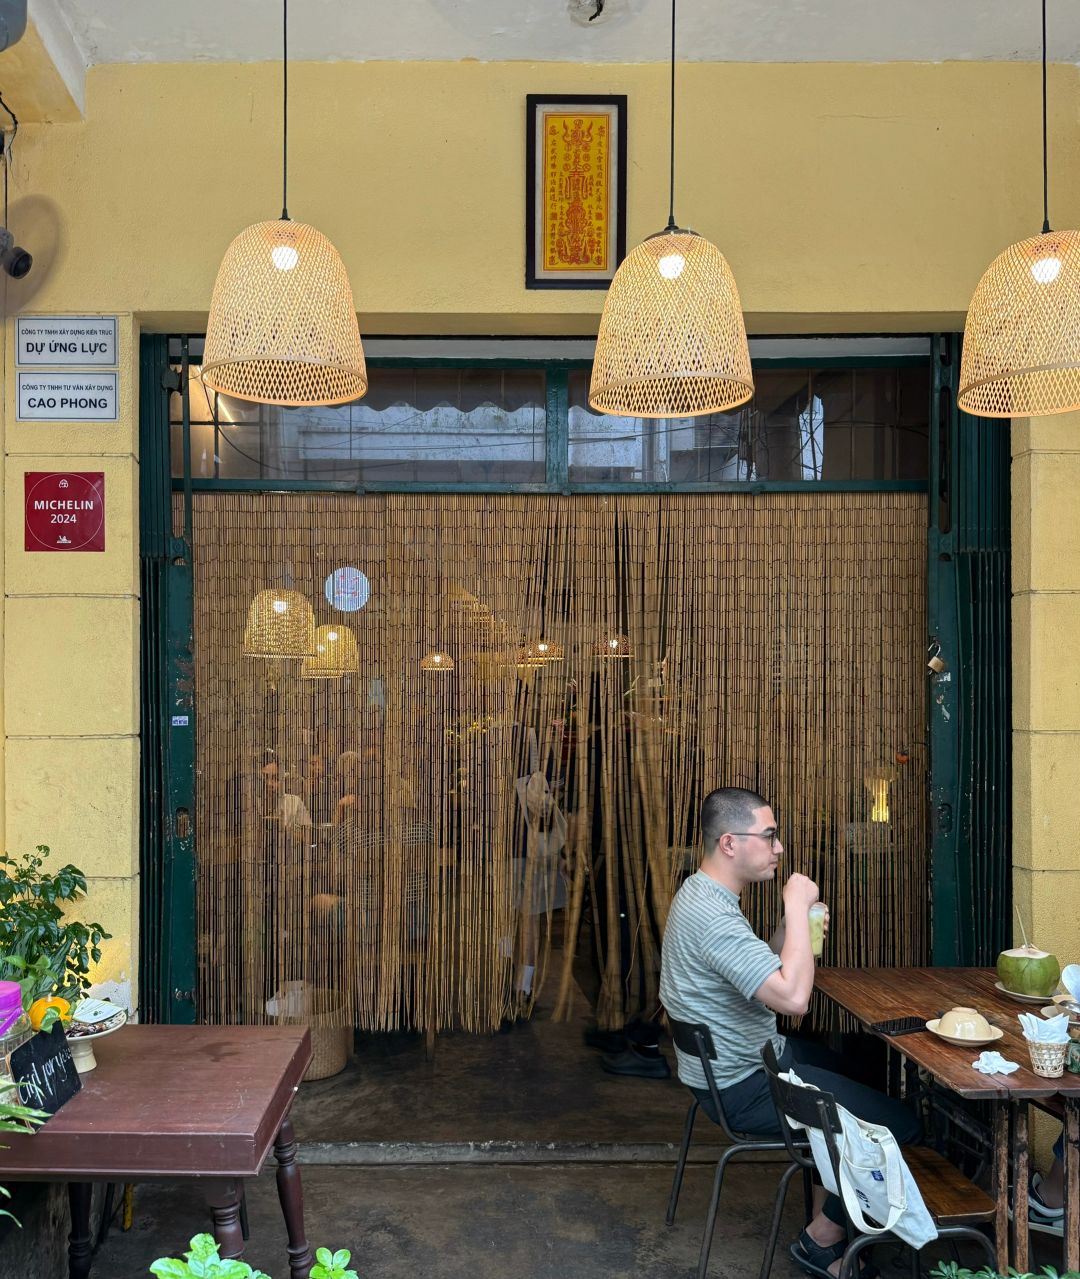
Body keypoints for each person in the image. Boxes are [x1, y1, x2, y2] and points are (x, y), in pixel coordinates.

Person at [659, 786, 921, 1279]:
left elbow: (760, 964)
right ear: (731, 843)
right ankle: (823, 1239)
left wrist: (791, 926)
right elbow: (794, 1000)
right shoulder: (713, 916)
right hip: (747, 1084)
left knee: (863, 1072)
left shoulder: (701, 894)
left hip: (742, 1065)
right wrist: (798, 905)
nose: (779, 848)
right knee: (900, 1125)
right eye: (770, 835)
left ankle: (835, 1201)